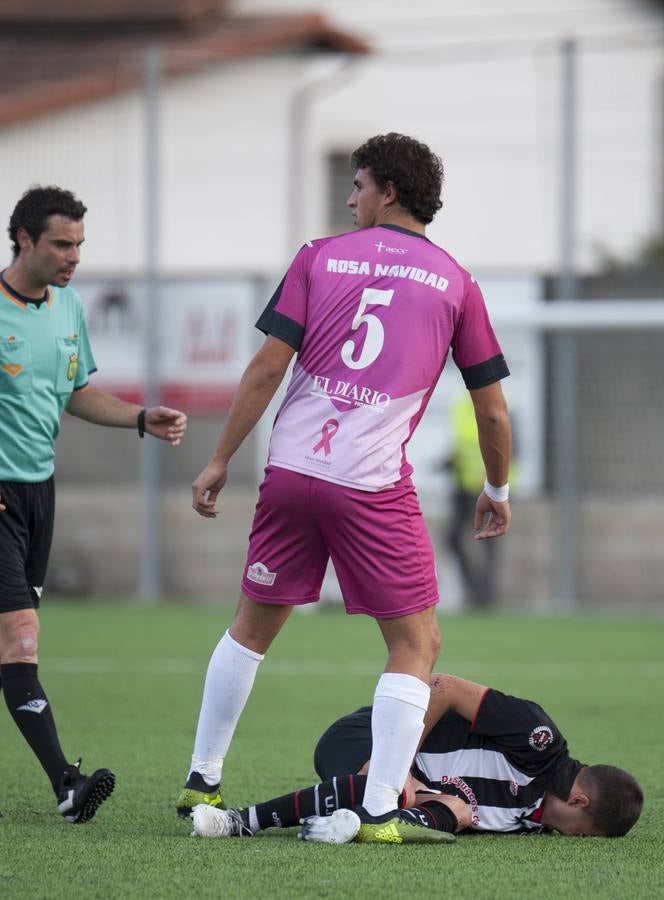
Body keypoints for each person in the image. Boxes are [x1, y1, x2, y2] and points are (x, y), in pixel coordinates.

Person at [179, 133, 514, 843]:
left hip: (292, 473)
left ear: (389, 190)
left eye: (358, 184)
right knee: (417, 644)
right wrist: (498, 487)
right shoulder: (456, 281)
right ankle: (381, 808)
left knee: (253, 623)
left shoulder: (318, 256)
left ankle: (202, 775)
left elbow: (268, 367)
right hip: (368, 486)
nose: (350, 197)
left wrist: (218, 459)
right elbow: (490, 406)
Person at [0, 185, 187, 822]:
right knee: (22, 640)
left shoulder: (68, 309)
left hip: (39, 494)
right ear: (24, 240)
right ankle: (66, 784)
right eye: (62, 243)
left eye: (80, 245)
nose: (74, 257)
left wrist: (141, 417)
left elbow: (77, 393)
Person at [189, 673, 644, 843]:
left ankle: (346, 825)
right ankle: (236, 823)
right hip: (366, 739)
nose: (577, 840)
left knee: (453, 811)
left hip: (417, 791)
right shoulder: (537, 738)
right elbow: (442, 687)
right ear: (581, 802)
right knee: (396, 788)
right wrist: (396, 762)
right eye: (587, 835)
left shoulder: (534, 819)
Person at [444, 392, 514, 609]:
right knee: (453, 538)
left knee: (490, 543)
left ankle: (486, 595)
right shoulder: (460, 407)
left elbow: (511, 448)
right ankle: (476, 589)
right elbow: (461, 447)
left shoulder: (503, 408)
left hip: (491, 489)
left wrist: (496, 486)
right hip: (463, 488)